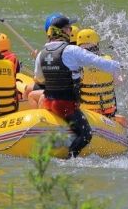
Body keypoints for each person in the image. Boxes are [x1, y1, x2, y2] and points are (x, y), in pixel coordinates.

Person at [34, 16, 122, 158]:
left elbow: (39, 78)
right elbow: (97, 61)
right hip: (66, 106)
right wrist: (116, 65)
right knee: (86, 134)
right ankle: (70, 158)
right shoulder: (71, 50)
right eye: (68, 28)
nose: (70, 31)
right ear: (62, 32)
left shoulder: (41, 54)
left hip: (48, 102)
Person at [76, 28, 118, 117]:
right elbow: (119, 81)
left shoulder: (78, 64)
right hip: (108, 112)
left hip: (88, 113)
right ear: (97, 44)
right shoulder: (109, 61)